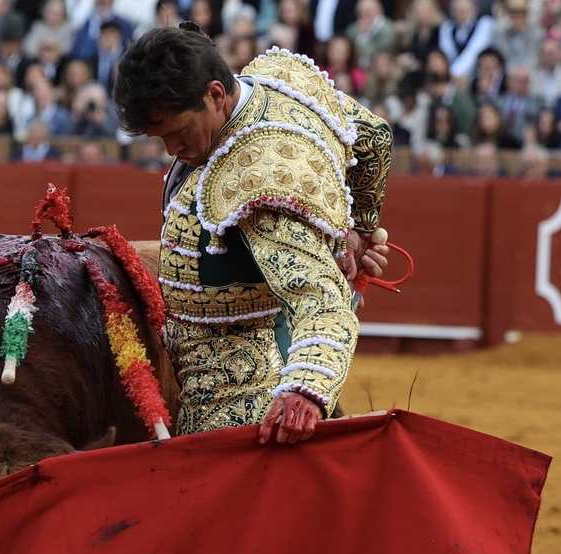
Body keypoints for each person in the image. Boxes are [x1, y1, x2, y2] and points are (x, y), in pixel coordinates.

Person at [112, 24, 392, 445]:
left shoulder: (256, 182)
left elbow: (322, 300)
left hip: (240, 404)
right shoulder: (278, 80)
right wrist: (356, 232)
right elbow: (372, 137)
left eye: (177, 132)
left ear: (215, 95)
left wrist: (305, 390)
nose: (171, 150)